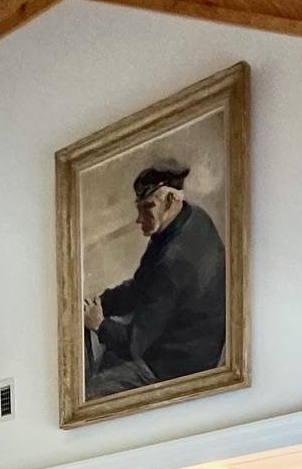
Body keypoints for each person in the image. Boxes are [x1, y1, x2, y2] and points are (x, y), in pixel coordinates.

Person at [82, 161, 226, 397]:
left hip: (176, 366)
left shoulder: (175, 261)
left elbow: (135, 343)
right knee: (106, 356)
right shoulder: (188, 220)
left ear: (170, 200)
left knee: (92, 392)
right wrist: (100, 302)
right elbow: (141, 286)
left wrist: (99, 324)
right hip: (182, 341)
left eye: (147, 207)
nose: (139, 219)